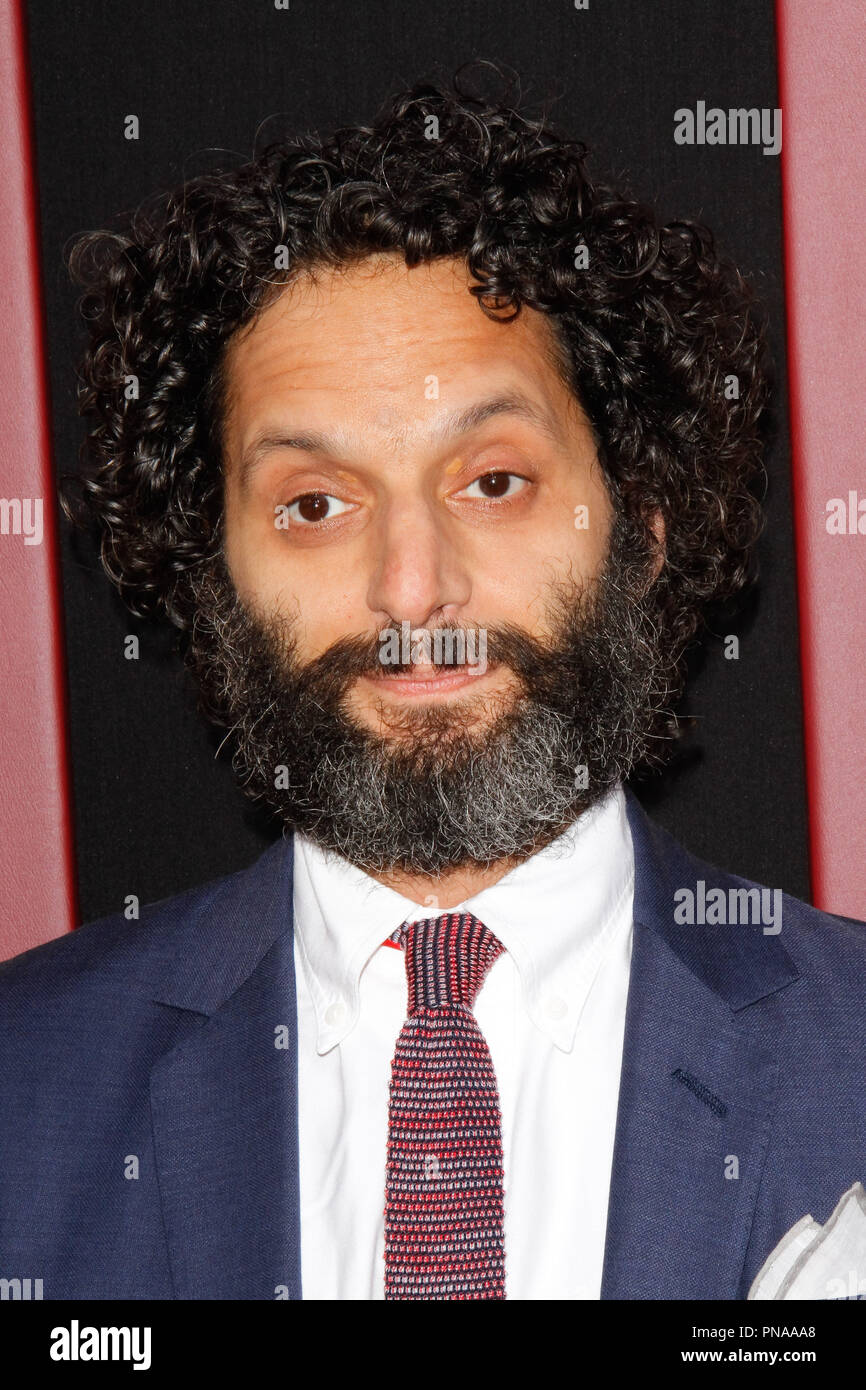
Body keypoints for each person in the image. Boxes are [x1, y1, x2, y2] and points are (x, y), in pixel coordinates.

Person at [1, 70, 864, 1301]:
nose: (411, 589)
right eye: (313, 504)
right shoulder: (22, 1091)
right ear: (216, 581)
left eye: (492, 481)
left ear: (645, 526)